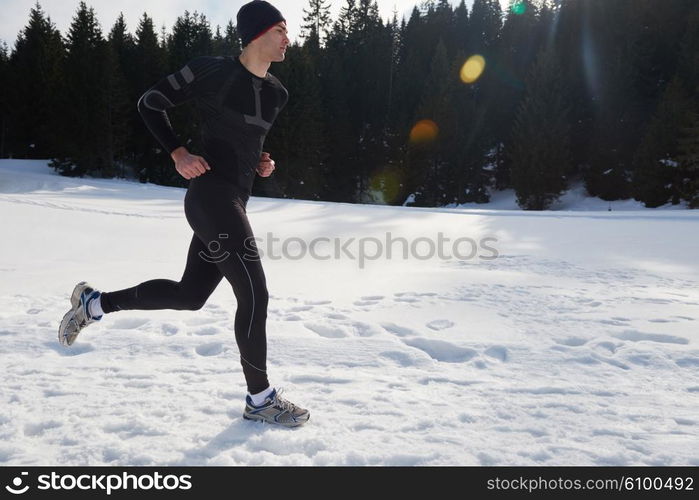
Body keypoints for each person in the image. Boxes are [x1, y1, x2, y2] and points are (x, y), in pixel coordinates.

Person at [58, 0, 309, 428]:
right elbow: (150, 103)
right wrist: (178, 152)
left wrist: (261, 162)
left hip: (235, 199)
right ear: (256, 34)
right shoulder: (210, 70)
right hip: (210, 196)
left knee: (190, 296)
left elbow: (244, 141)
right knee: (254, 291)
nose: (289, 38)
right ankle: (260, 399)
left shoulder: (277, 93)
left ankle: (94, 304)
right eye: (280, 30)